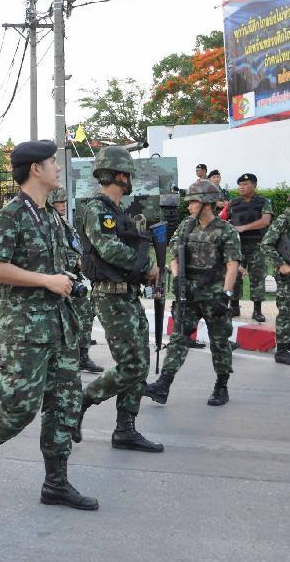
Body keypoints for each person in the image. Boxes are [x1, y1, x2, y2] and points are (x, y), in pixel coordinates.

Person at [0, 139, 96, 510]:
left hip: (60, 324)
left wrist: (69, 275)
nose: (56, 167)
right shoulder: (11, 215)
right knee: (21, 405)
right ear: (35, 169)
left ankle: (56, 483)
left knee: (64, 403)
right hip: (24, 328)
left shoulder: (51, 215)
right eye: (52, 162)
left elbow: (60, 261)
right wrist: (47, 280)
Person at [72, 146, 162, 454]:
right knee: (131, 364)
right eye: (129, 174)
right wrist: (146, 265)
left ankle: (125, 429)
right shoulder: (97, 210)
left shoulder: (118, 211)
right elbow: (108, 249)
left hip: (129, 294)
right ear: (119, 175)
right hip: (110, 297)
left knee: (140, 362)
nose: (131, 179)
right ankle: (83, 400)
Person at [144, 180, 241, 406]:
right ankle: (163, 385)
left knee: (219, 341)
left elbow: (232, 265)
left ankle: (221, 386)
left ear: (206, 202)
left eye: (193, 201)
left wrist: (225, 296)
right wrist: (177, 279)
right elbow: (175, 256)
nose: (189, 206)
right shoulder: (187, 226)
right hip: (189, 294)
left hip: (214, 294)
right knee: (179, 338)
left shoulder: (226, 230)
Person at [47, 188, 103, 373]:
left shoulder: (64, 223)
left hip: (72, 277)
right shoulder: (48, 223)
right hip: (56, 277)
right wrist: (74, 261)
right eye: (59, 202)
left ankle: (82, 356)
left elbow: (75, 246)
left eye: (64, 201)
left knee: (85, 314)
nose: (63, 205)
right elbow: (52, 251)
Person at [227, 173, 272, 321]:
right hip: (237, 246)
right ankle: (234, 307)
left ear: (254, 185)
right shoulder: (233, 203)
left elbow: (265, 221)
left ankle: (257, 311)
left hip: (256, 245)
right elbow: (223, 219)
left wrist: (243, 228)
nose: (241, 187)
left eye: (245, 184)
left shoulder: (263, 201)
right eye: (240, 184)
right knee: (235, 276)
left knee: (257, 277)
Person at [262, 199, 290, 365]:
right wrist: (281, 264)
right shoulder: (282, 221)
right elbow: (266, 244)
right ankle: (281, 350)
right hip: (287, 275)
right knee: (286, 312)